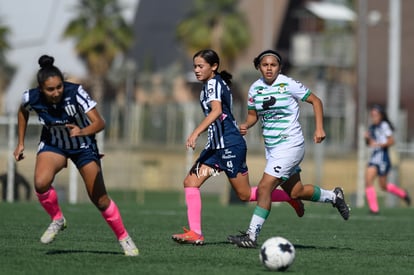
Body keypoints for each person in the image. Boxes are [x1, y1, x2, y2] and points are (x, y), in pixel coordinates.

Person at [171, 49, 305, 245]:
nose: (197, 70)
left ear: (214, 67)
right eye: (195, 66)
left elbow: (216, 111)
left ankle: (288, 197)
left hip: (230, 146)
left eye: (201, 66)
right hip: (215, 148)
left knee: (243, 194)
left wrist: (195, 132)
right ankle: (196, 233)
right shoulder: (212, 84)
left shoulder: (212, 84)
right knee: (190, 183)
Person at [13, 55, 138, 256]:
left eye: (59, 87)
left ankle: (124, 237)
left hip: (83, 144)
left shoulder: (76, 92)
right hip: (54, 144)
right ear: (41, 88)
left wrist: (82, 131)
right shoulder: (31, 97)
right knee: (40, 182)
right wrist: (20, 143)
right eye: (50, 89)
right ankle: (57, 219)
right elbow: (22, 111)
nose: (56, 92)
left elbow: (100, 122)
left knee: (100, 199)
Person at [228, 49, 350, 248]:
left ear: (279, 67)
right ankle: (334, 196)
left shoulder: (288, 83)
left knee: (265, 187)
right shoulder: (254, 89)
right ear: (259, 67)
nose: (269, 68)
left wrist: (319, 127)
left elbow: (316, 101)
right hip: (273, 149)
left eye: (273, 65)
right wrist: (246, 125)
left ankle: (251, 236)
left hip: (291, 144)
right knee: (296, 192)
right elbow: (253, 116)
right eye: (265, 65)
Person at [364, 104, 411, 214]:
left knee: (383, 186)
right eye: (372, 115)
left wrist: (379, 144)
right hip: (374, 158)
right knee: (368, 181)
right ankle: (374, 209)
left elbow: (391, 141)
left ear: (381, 116)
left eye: (376, 115)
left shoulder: (384, 126)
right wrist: (367, 138)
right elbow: (369, 143)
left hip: (383, 159)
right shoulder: (372, 127)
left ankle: (402, 193)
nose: (374, 117)